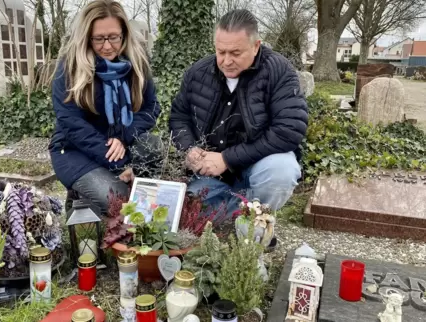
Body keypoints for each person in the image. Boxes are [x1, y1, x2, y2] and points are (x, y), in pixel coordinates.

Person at [169, 9, 308, 215]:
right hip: (210, 173)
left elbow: (288, 130)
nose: (226, 61)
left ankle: (254, 220)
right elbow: (179, 117)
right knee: (190, 209)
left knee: (282, 171)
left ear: (255, 46)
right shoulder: (198, 72)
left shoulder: (279, 71)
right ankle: (251, 209)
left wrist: (227, 159)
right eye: (220, 52)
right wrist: (189, 149)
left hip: (257, 164)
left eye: (235, 53)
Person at [49, 0, 161, 214]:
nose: (107, 46)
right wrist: (119, 163)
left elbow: (151, 107)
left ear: (124, 34)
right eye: (99, 39)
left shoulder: (136, 62)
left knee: (151, 153)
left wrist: (123, 136)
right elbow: (70, 123)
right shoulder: (70, 67)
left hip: (120, 143)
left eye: (114, 37)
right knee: (120, 203)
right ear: (87, 37)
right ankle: (81, 196)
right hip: (75, 150)